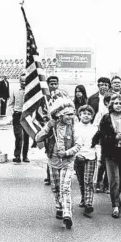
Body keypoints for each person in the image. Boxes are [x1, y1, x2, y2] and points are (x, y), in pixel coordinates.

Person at [35, 98, 80, 229]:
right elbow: (38, 138)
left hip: (67, 162)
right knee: (56, 188)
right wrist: (48, 126)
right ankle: (59, 206)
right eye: (68, 114)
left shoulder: (73, 127)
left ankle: (67, 214)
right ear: (60, 115)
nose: (71, 117)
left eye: (72, 114)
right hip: (53, 162)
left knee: (65, 188)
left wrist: (67, 153)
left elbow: (78, 145)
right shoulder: (52, 126)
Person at [98, 93, 121, 218]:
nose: (118, 105)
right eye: (116, 103)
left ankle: (117, 196)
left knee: (120, 177)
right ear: (111, 104)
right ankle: (115, 205)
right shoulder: (106, 118)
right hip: (110, 153)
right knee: (113, 179)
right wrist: (114, 138)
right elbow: (102, 137)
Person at [41, 76, 69, 185]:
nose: (53, 86)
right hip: (50, 129)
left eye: (55, 83)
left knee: (61, 150)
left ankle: (62, 174)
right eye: (51, 84)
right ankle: (50, 175)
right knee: (50, 151)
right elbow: (41, 113)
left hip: (61, 127)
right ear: (47, 85)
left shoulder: (62, 95)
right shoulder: (44, 97)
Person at [73, 105, 99, 218]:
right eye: (84, 113)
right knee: (81, 180)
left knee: (88, 180)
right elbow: (71, 143)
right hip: (78, 156)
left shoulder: (94, 128)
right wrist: (76, 154)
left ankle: (88, 204)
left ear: (92, 116)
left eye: (89, 114)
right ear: (79, 115)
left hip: (90, 156)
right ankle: (84, 197)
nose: (86, 116)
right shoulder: (74, 128)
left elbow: (97, 144)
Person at [93, 93, 112, 194]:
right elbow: (95, 125)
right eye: (110, 101)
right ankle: (98, 183)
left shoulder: (119, 113)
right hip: (102, 142)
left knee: (110, 163)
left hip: (113, 142)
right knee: (102, 163)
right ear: (106, 103)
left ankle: (107, 184)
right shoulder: (101, 113)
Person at [9, 74, 30, 163]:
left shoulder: (30, 92)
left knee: (26, 136)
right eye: (22, 81)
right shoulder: (15, 91)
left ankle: (25, 156)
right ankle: (17, 156)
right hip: (17, 114)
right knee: (18, 136)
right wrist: (12, 114)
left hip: (27, 115)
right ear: (19, 81)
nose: (24, 83)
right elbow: (10, 104)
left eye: (25, 81)